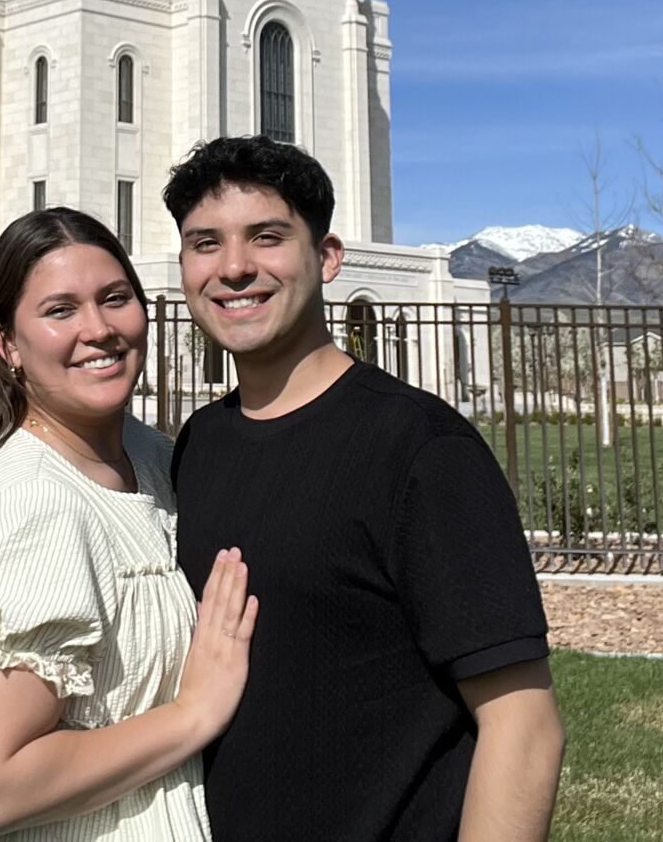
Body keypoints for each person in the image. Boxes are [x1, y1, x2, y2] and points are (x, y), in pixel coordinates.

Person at [165, 135, 565, 842]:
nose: (233, 267)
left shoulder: (421, 450)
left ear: (327, 258)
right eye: (206, 243)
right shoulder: (198, 443)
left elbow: (523, 724)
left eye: (267, 237)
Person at [0, 206, 257, 841]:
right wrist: (194, 713)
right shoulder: (33, 501)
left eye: (115, 298)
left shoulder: (150, 455)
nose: (99, 329)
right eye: (60, 310)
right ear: (7, 344)